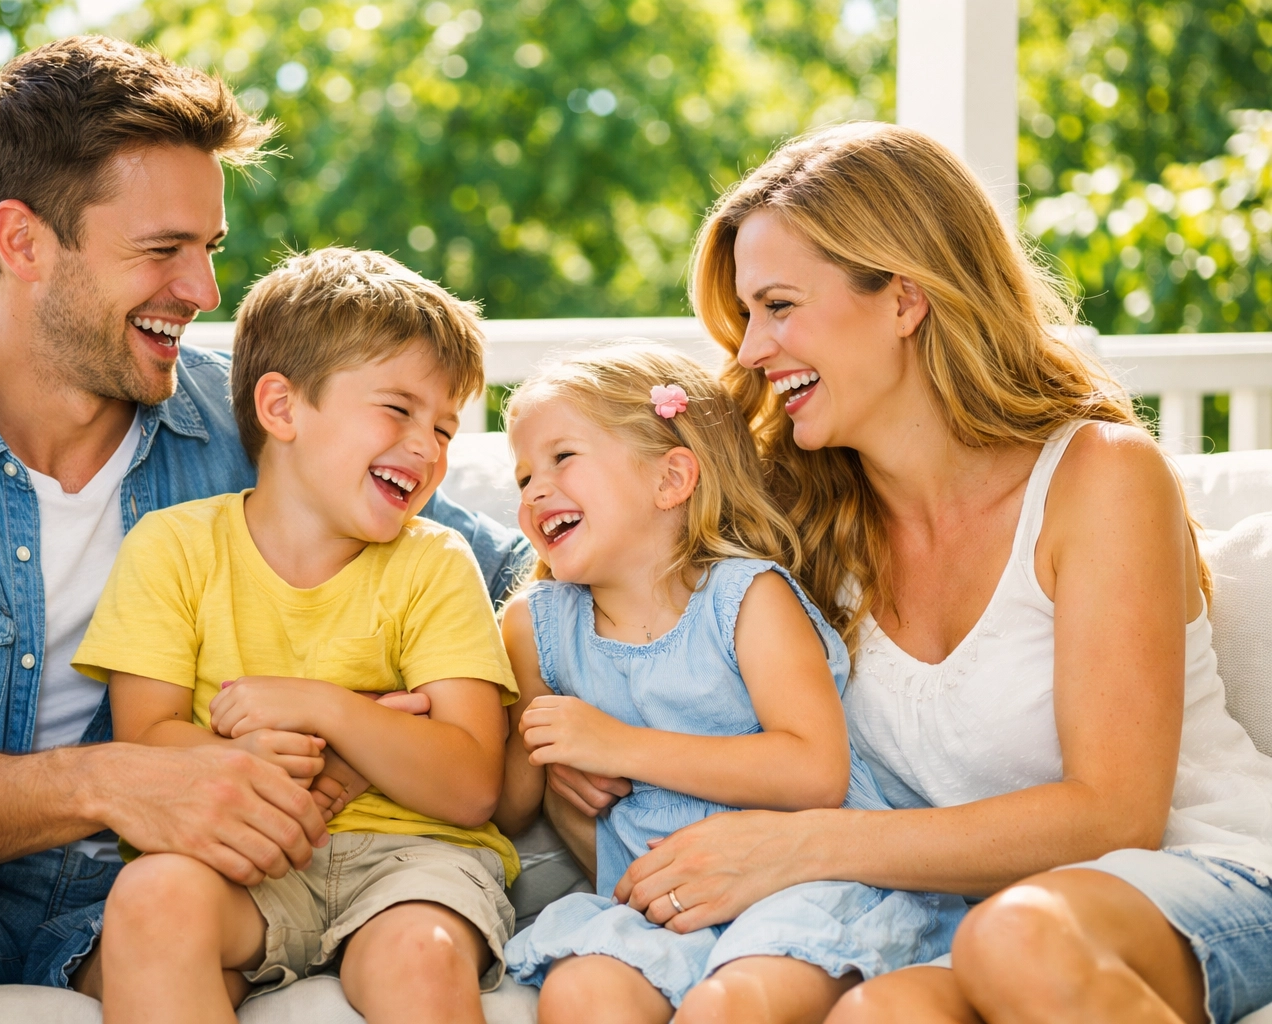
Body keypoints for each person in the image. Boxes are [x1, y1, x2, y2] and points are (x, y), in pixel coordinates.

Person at [0, 38, 521, 1024]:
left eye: (211, 250)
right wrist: (122, 781)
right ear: (23, 241)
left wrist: (427, 721)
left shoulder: (251, 416)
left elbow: (504, 569)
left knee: (173, 908)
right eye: (163, 251)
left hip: (196, 885)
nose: (204, 292)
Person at [588, 123, 1272, 1024]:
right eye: (748, 316)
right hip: (959, 913)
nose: (751, 350)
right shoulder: (800, 527)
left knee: (1017, 937)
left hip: (1191, 876)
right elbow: (609, 563)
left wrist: (808, 850)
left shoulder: (1099, 477)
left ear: (903, 299)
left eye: (780, 306)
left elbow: (1115, 818)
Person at [75, 248, 521, 1024]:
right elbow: (145, 743)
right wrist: (236, 761)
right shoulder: (172, 548)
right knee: (150, 899)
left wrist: (328, 710)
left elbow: (470, 782)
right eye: (399, 409)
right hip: (241, 856)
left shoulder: (436, 564)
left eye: (445, 427)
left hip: (411, 862)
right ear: (281, 408)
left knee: (418, 954)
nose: (428, 447)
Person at [493, 345, 965, 1024]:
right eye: (523, 477)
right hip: (654, 912)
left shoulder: (744, 599)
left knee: (729, 1008)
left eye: (563, 458)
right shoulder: (534, 627)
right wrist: (532, 749)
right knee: (580, 996)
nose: (536, 491)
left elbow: (814, 771)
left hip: (800, 892)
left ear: (670, 479)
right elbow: (508, 808)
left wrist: (617, 746)